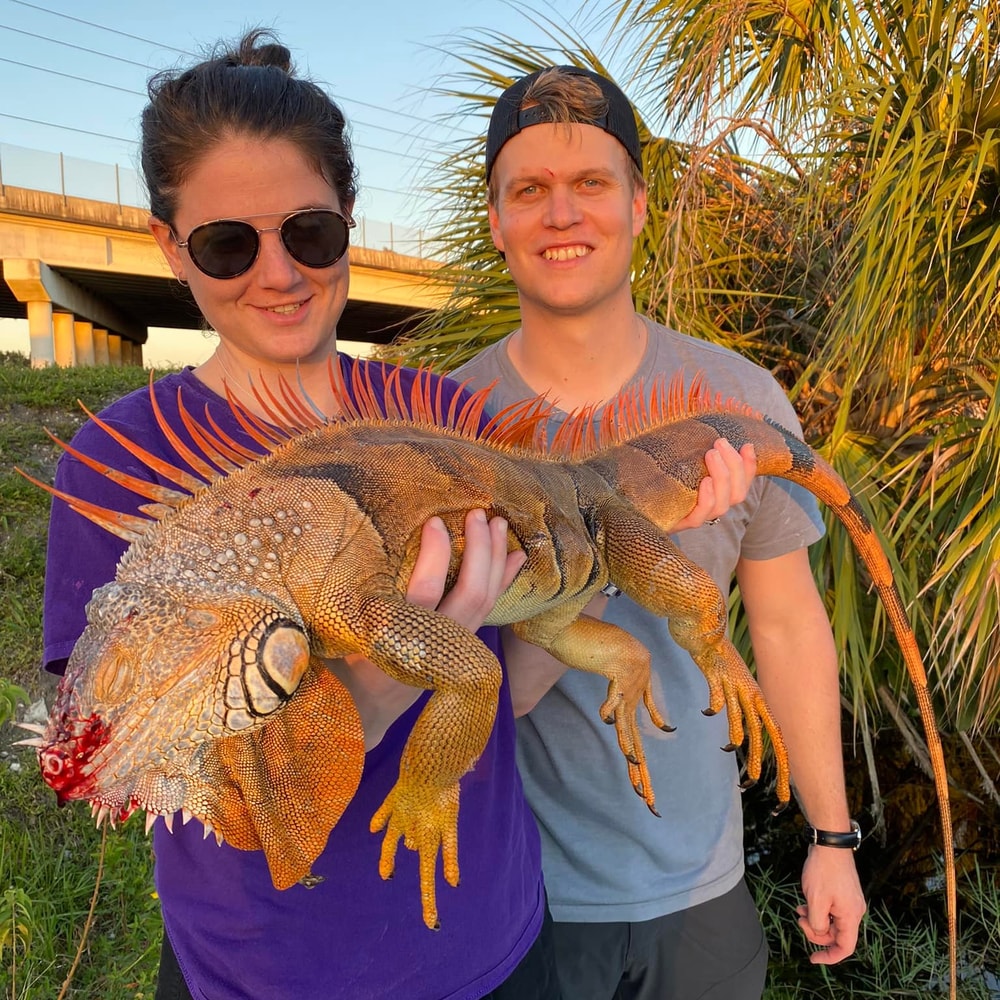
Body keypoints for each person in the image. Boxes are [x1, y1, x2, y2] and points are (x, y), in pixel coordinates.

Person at [41, 30, 557, 1000]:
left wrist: (581, 577)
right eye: (228, 243)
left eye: (308, 233)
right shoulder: (117, 462)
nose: (277, 273)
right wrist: (403, 664)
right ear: (167, 244)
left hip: (493, 944)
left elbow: (513, 687)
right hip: (258, 972)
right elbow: (145, 765)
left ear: (349, 218)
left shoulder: (451, 419)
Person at [451, 65, 868, 999]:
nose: (563, 214)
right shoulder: (450, 425)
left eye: (591, 184)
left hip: (701, 897)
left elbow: (789, 626)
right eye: (530, 191)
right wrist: (623, 534)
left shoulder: (739, 402)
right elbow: (462, 683)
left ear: (637, 206)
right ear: (497, 221)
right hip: (513, 903)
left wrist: (832, 839)